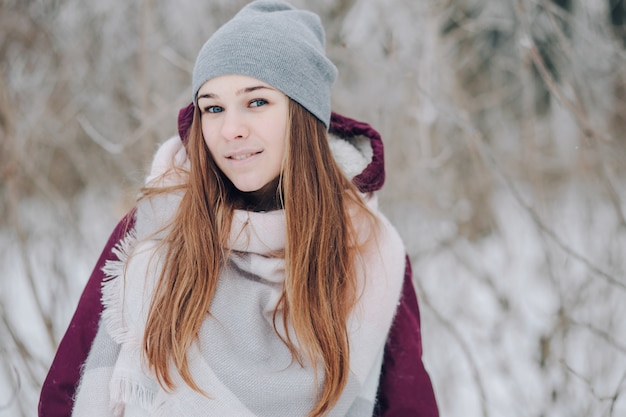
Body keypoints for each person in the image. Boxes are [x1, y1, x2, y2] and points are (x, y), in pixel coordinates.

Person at [39, 1, 438, 416]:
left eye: (257, 102)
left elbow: (408, 407)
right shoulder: (155, 230)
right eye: (213, 107)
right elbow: (62, 395)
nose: (230, 130)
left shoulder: (370, 252)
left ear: (303, 116)